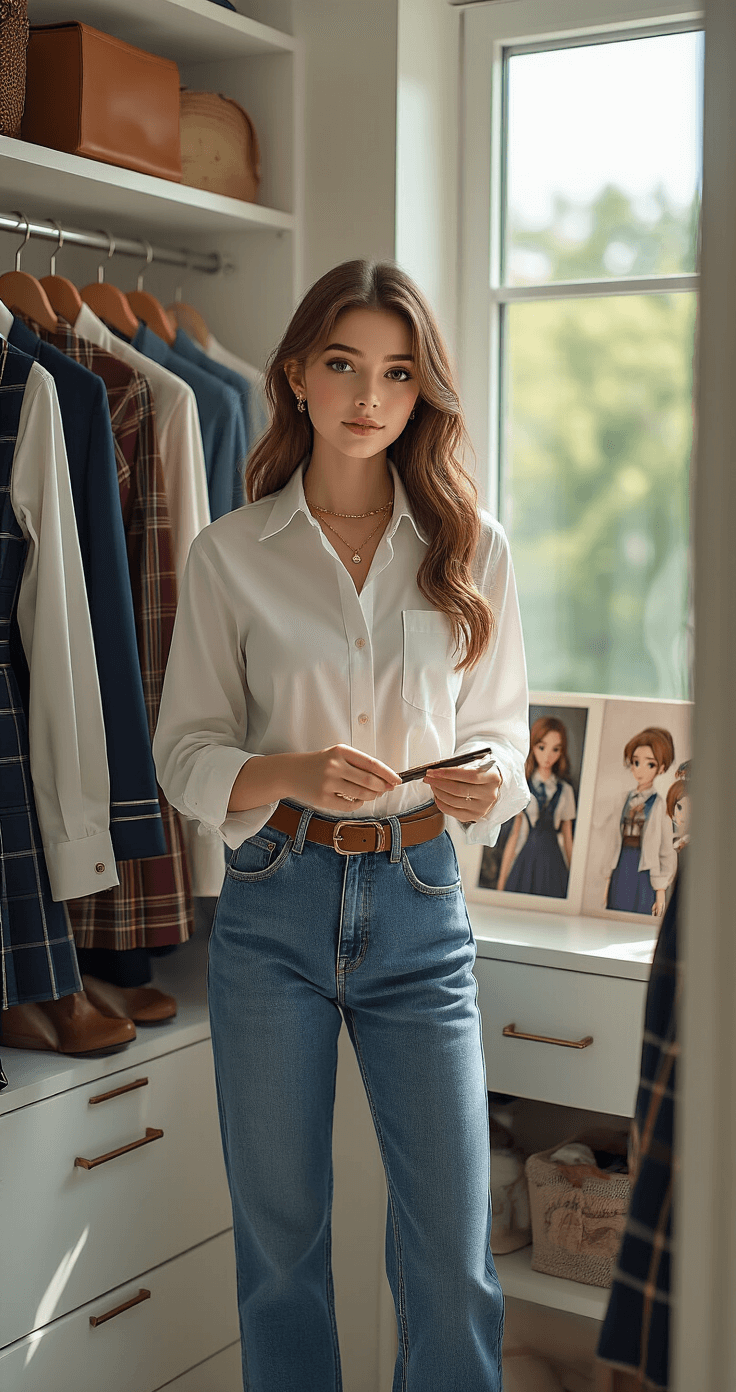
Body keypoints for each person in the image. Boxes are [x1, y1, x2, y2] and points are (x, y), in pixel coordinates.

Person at [153, 259, 530, 1392]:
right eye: (344, 365)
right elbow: (184, 756)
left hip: (421, 909)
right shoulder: (230, 554)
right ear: (296, 378)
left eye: (399, 374)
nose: (370, 396)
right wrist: (293, 771)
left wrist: (487, 781)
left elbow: (504, 732)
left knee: (450, 1253)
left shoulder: (472, 549)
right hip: (273, 907)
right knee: (280, 1250)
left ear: (423, 396)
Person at [496, 715, 576, 897]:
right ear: (532, 746)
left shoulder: (565, 791)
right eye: (542, 747)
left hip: (553, 860)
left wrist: (574, 881)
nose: (548, 756)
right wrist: (501, 882)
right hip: (527, 859)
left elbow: (568, 837)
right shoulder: (523, 786)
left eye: (555, 749)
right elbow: (515, 835)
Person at [603, 728, 677, 917]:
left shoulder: (660, 805)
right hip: (621, 864)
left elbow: (666, 849)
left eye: (650, 764)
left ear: (661, 768)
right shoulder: (622, 800)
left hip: (644, 870)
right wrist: (607, 880)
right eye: (636, 762)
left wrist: (660, 890)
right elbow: (612, 840)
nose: (640, 769)